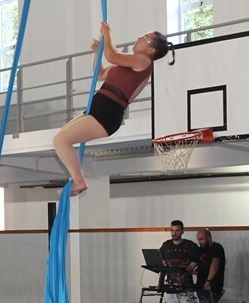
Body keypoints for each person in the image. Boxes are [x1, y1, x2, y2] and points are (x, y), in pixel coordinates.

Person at [53, 23, 175, 195]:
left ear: (151, 50)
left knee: (61, 140)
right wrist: (97, 53)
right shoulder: (126, 65)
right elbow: (101, 74)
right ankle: (77, 179)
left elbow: (112, 55)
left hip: (108, 112)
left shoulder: (144, 61)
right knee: (62, 137)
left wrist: (108, 34)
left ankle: (79, 181)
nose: (139, 38)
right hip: (98, 105)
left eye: (145, 38)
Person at [159, 220, 199, 303]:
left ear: (182, 231)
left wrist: (184, 275)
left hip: (186, 285)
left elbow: (194, 263)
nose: (174, 233)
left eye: (177, 230)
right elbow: (161, 261)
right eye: (172, 230)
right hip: (170, 285)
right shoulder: (166, 245)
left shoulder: (190, 246)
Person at [195, 228, 226, 303]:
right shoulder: (200, 251)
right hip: (201, 287)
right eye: (198, 239)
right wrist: (184, 274)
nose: (200, 242)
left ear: (209, 237)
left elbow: (215, 265)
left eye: (202, 239)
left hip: (213, 287)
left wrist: (209, 280)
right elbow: (193, 263)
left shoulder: (217, 248)